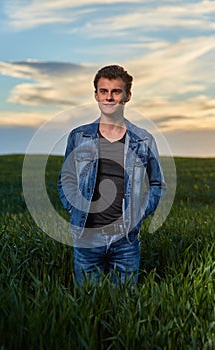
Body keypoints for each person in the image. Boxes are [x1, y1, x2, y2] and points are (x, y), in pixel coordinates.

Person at [58, 65, 166, 285]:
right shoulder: (79, 136)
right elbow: (65, 179)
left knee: (124, 305)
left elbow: (157, 183)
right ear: (96, 95)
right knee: (89, 304)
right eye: (103, 91)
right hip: (86, 237)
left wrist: (138, 214)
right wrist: (74, 207)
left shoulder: (143, 140)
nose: (109, 97)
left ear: (127, 96)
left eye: (116, 91)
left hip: (125, 239)